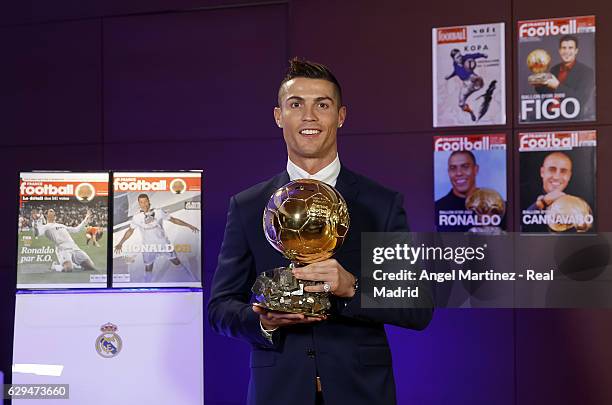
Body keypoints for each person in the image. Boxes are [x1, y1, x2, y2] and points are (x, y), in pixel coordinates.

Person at [208, 58, 433, 405]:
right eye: (296, 104)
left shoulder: (381, 203)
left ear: (340, 116)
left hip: (361, 392)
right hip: (278, 393)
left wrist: (351, 287)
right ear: (279, 116)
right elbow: (220, 308)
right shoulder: (248, 205)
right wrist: (264, 321)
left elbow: (417, 307)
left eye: (322, 105)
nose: (309, 116)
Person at [114, 193, 199, 280]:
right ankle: (147, 285)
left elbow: (174, 220)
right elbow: (130, 231)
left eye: (145, 201)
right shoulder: (137, 218)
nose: (144, 204)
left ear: (148, 201)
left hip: (163, 244)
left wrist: (189, 226)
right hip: (148, 247)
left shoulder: (159, 212)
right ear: (139, 204)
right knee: (148, 267)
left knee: (176, 261)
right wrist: (121, 243)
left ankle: (191, 278)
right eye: (141, 202)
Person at [533, 35, 595, 119]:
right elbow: (547, 94)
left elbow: (581, 98)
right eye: (564, 48)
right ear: (559, 51)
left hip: (569, 119)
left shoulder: (587, 72)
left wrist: (557, 86)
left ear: (576, 51)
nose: (567, 51)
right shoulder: (554, 69)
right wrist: (539, 84)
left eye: (570, 48)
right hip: (547, 116)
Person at [32, 208, 96, 272]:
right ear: (46, 215)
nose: (53, 212)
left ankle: (74, 265)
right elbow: (36, 233)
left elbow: (76, 229)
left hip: (74, 247)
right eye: (51, 211)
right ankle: (55, 266)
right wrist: (35, 223)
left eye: (54, 212)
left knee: (91, 267)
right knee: (68, 269)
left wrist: (86, 219)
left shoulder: (61, 225)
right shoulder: (45, 227)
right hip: (63, 249)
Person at [435, 150, 478, 232]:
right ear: (448, 172)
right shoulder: (436, 209)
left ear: (475, 169)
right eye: (453, 168)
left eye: (465, 166)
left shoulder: (497, 208)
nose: (458, 173)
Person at [445, 49, 489, 121]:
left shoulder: (465, 58)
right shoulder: (455, 64)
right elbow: (456, 72)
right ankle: (471, 112)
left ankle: (478, 82)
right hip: (466, 85)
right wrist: (449, 76)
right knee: (461, 104)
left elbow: (474, 55)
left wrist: (483, 55)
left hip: (473, 80)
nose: (460, 58)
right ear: (454, 59)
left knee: (473, 78)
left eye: (460, 56)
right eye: (457, 57)